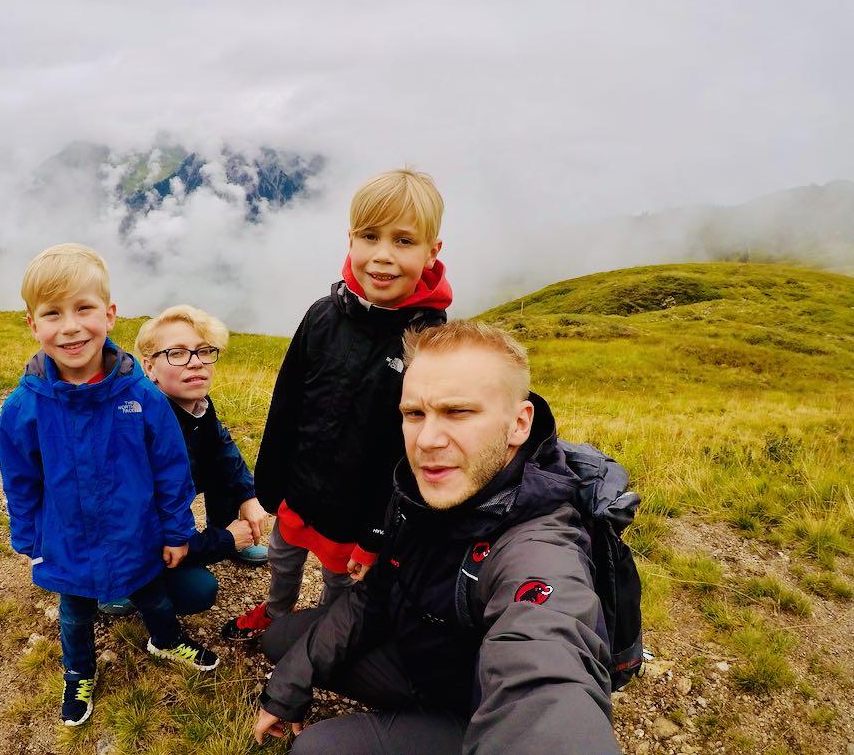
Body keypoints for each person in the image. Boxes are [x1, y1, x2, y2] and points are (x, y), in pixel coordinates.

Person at [253, 320, 620, 755]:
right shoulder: (419, 489)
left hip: (473, 711)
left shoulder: (538, 545)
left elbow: (546, 672)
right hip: (416, 663)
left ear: (519, 424)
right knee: (281, 640)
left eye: (457, 412)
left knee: (317, 751)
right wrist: (288, 687)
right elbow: (374, 595)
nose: (426, 440)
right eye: (414, 414)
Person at [0, 243, 219, 729]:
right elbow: (21, 481)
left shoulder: (142, 396)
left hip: (136, 534)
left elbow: (171, 469)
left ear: (110, 315)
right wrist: (29, 539)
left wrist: (177, 531)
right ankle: (79, 672)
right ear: (33, 324)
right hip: (67, 541)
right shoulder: (23, 409)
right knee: (74, 612)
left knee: (152, 595)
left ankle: (165, 640)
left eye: (84, 308)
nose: (70, 326)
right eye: (53, 313)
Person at [222, 169, 452, 641]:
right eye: (370, 236)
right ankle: (277, 611)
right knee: (283, 557)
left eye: (404, 241)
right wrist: (270, 484)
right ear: (350, 239)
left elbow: (416, 453)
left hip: (358, 512)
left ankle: (324, 638)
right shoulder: (322, 316)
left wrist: (378, 533)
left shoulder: (428, 342)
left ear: (432, 251)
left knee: (339, 581)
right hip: (300, 490)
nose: (383, 255)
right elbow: (286, 402)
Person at [97, 304, 271, 616]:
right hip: (124, 540)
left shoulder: (198, 403)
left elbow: (224, 448)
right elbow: (148, 534)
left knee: (221, 466)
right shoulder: (135, 426)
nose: (196, 363)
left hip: (166, 505)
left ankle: (230, 533)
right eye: (177, 353)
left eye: (204, 351)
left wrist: (248, 495)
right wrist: (225, 540)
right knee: (198, 591)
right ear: (149, 367)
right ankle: (117, 584)